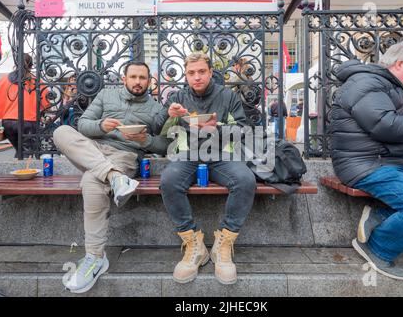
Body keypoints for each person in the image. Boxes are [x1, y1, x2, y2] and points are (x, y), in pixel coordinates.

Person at [330, 41, 403, 280]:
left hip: (393, 161)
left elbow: (388, 129)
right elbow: (386, 127)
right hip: (366, 165)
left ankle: (380, 214)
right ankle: (378, 248)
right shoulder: (366, 84)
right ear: (400, 63)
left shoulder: (385, 85)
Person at [53, 61, 170, 293]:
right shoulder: (106, 95)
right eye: (133, 77)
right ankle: (113, 177)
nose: (138, 82)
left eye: (143, 78)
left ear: (149, 81)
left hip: (125, 156)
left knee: (91, 181)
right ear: (124, 78)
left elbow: (165, 145)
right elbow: (83, 125)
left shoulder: (157, 109)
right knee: (61, 132)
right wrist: (101, 126)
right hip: (93, 150)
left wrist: (145, 142)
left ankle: (95, 258)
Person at [159, 52, 257, 285]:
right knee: (169, 181)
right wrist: (168, 114)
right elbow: (157, 128)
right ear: (186, 74)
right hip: (188, 155)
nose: (197, 77)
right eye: (192, 73)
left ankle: (223, 243)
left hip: (222, 155)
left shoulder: (227, 96)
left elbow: (244, 128)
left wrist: (218, 130)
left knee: (245, 180)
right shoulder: (178, 97)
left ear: (210, 72)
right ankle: (194, 243)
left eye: (202, 71)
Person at [0, 54, 49, 156]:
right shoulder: (36, 81)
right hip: (28, 122)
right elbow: (47, 103)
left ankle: (16, 169)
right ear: (31, 65)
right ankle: (22, 170)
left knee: (20, 151)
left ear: (16, 63)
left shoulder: (4, 79)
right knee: (26, 152)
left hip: (8, 122)